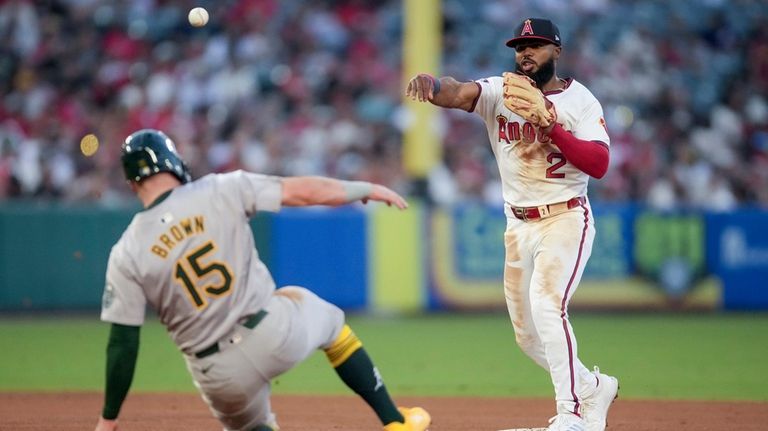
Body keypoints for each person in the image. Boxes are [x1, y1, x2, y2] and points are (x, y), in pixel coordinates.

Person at [94, 129, 431, 431]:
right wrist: (364, 187)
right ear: (173, 163)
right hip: (272, 332)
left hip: (216, 373)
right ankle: (395, 423)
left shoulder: (127, 250)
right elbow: (302, 192)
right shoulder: (218, 189)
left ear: (132, 182)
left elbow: (123, 344)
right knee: (328, 321)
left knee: (252, 426)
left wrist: (108, 418)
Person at [406, 18, 618, 431]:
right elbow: (457, 91)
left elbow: (600, 164)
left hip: (565, 216)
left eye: (536, 45)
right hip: (518, 224)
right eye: (520, 46)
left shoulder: (581, 101)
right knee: (527, 336)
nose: (525, 52)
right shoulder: (500, 91)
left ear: (556, 51)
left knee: (546, 304)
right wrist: (433, 84)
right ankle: (593, 386)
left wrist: (551, 127)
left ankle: (571, 414)